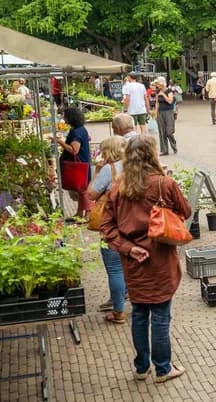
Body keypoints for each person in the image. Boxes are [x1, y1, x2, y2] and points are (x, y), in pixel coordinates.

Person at [101, 135, 191, 384]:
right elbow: (185, 211)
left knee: (139, 313)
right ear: (153, 154)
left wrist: (128, 248)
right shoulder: (164, 183)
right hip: (160, 258)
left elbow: (107, 228)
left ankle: (141, 367)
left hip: (133, 262)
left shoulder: (117, 188)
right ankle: (163, 368)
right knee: (161, 316)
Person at [86, 136, 128, 323]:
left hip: (112, 224)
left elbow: (91, 193)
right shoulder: (135, 167)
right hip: (134, 224)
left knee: (115, 269)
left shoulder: (107, 170)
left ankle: (118, 311)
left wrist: (96, 170)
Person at [56, 106, 93, 218]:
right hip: (83, 162)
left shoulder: (77, 132)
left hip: (80, 164)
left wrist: (60, 142)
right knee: (81, 189)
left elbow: (74, 150)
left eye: (65, 115)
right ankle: (80, 213)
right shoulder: (79, 129)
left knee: (82, 190)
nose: (63, 117)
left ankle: (88, 214)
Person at [153, 78, 178, 156]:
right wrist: (155, 113)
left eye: (157, 84)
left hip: (169, 112)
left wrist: (163, 95)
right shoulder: (157, 92)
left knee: (169, 132)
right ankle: (164, 150)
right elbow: (157, 103)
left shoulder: (169, 91)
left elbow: (170, 101)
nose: (156, 85)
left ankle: (174, 146)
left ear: (162, 84)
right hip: (160, 112)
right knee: (162, 131)